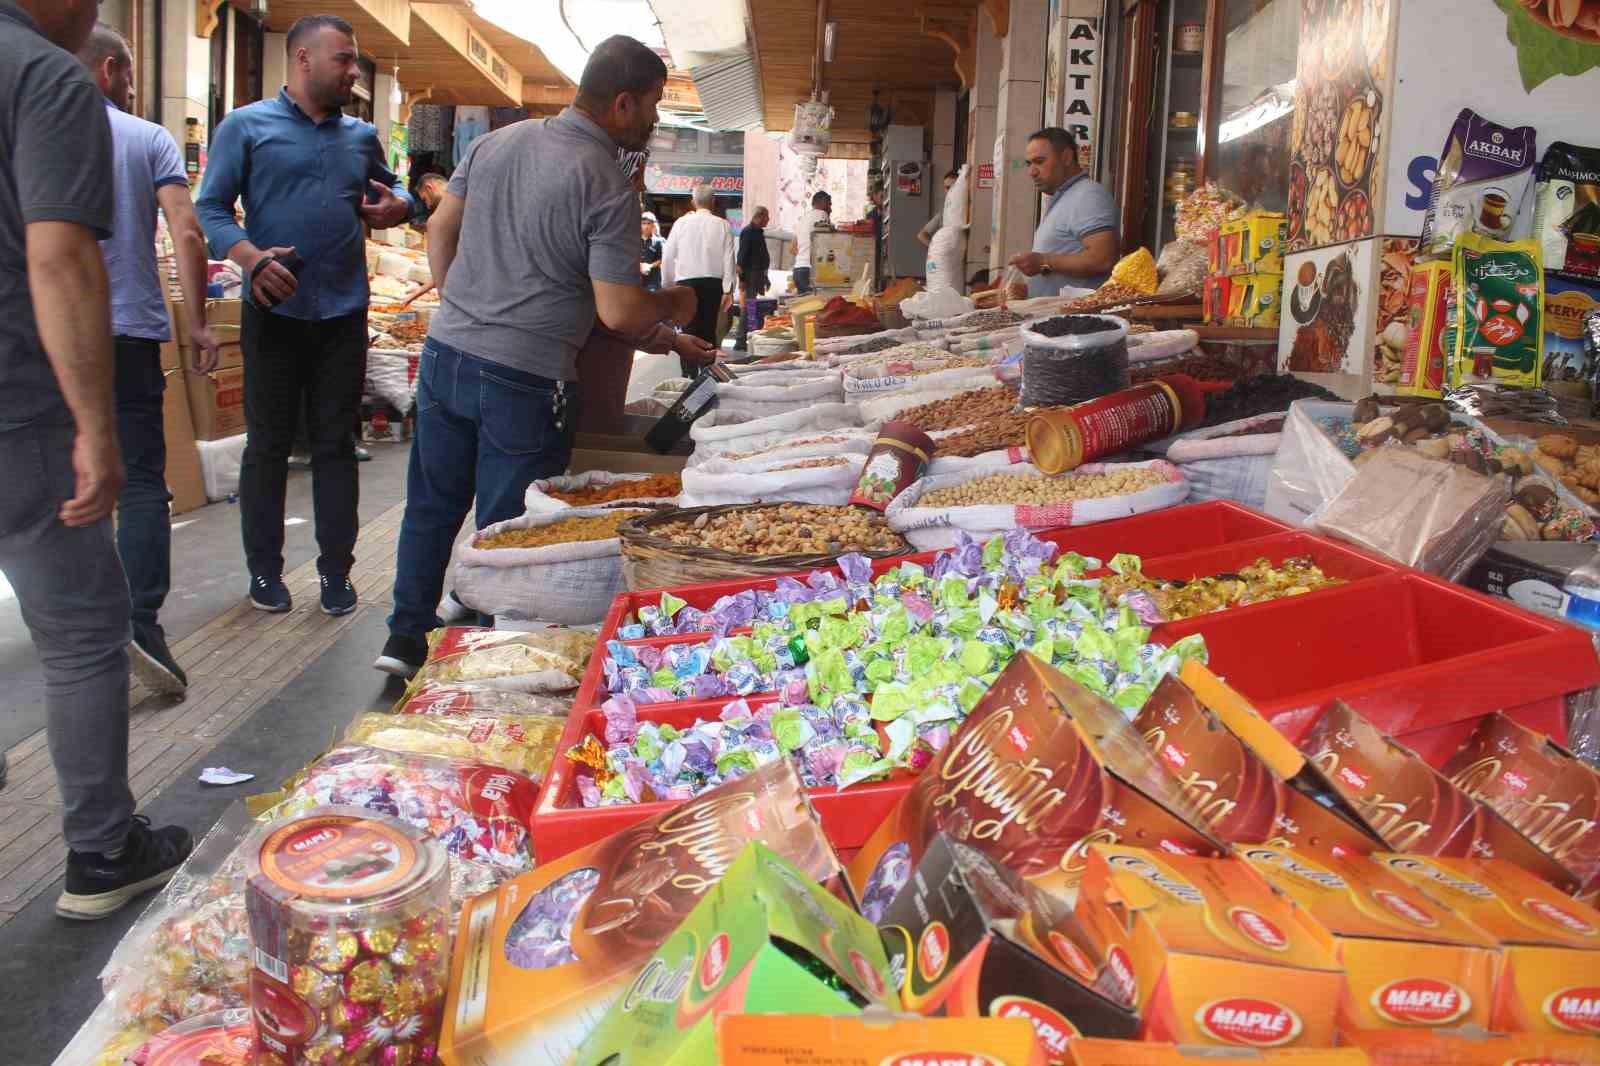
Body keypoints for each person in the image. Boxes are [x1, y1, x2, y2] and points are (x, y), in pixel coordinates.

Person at [374, 34, 697, 677]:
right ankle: (487, 666)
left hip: (446, 353)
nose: (658, 119)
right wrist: (679, 303)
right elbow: (618, 312)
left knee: (433, 506)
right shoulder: (604, 178)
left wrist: (461, 301)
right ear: (624, 104)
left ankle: (406, 640)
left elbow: (441, 227)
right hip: (525, 377)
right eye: (656, 104)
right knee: (513, 529)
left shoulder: (500, 141)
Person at [0, 0, 194, 919]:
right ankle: (103, 851)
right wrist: (93, 426)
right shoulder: (43, 76)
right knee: (82, 632)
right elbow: (60, 259)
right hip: (16, 403)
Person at [198, 16, 413, 618]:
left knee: (336, 446)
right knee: (266, 446)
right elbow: (210, 209)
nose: (353, 73)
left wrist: (400, 207)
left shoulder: (360, 137)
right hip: (273, 312)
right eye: (344, 60)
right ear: (302, 60)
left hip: (343, 312)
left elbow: (398, 196)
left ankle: (336, 573)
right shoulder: (245, 127)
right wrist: (248, 257)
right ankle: (264, 572)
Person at [77, 24, 221, 696]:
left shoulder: (25, 127)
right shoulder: (145, 138)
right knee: (137, 481)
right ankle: (140, 622)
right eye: (131, 76)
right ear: (110, 69)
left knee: (43, 484)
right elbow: (186, 229)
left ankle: (74, 624)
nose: (134, 88)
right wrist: (195, 321)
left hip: (37, 339)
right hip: (128, 333)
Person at [1007, 128, 1119, 299]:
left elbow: (1102, 259)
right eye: (1029, 164)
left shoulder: (1088, 196)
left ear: (1066, 157)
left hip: (1077, 319)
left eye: (1039, 161)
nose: (1032, 172)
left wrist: (1043, 261)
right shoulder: (1065, 197)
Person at [661, 182, 736, 375]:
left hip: (685, 284)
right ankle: (706, 375)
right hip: (713, 285)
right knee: (709, 330)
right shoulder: (723, 225)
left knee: (687, 331)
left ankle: (688, 376)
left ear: (693, 202)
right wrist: (728, 290)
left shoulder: (681, 223)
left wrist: (667, 286)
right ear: (713, 201)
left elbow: (667, 256)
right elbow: (729, 258)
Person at [734, 205, 771, 351]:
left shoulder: (758, 232)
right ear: (759, 216)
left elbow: (760, 256)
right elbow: (741, 257)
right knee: (747, 308)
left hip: (757, 274)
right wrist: (742, 279)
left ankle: (747, 338)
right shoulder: (748, 232)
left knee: (751, 307)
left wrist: (765, 277)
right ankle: (740, 341)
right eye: (766, 216)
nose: (768, 219)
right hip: (749, 275)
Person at [792, 190, 831, 294]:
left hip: (798, 270)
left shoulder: (803, 219)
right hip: (810, 271)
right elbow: (827, 241)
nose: (830, 208)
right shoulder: (822, 214)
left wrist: (804, 254)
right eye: (829, 204)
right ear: (823, 203)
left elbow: (792, 248)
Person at [916, 170, 961, 248]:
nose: (950, 191)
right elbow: (922, 235)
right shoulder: (943, 212)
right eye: (947, 188)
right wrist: (938, 249)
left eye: (953, 187)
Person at [640, 211, 663, 290]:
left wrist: (650, 266)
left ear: (653, 225)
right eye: (643, 223)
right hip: (636, 281)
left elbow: (662, 259)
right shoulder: (634, 241)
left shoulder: (658, 242)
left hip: (652, 282)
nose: (646, 226)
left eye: (648, 223)